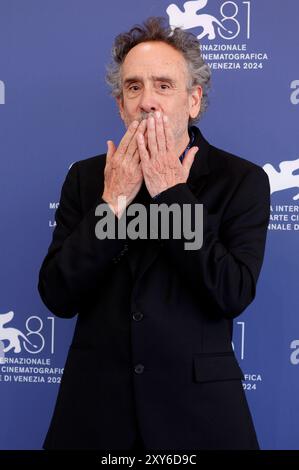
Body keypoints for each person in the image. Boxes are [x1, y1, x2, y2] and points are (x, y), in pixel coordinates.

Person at [38, 17, 270, 450]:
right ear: (120, 105)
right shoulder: (87, 180)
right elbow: (58, 294)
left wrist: (172, 194)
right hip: (96, 415)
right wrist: (113, 206)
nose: (147, 101)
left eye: (163, 85)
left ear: (193, 100)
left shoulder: (241, 180)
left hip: (200, 415)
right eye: (133, 87)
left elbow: (232, 292)